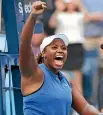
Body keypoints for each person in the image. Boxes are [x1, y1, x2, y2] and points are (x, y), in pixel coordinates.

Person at [19, 1, 103, 115]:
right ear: (43, 53)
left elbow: (85, 108)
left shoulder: (66, 80)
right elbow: (25, 44)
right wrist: (33, 16)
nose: (60, 50)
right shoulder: (34, 73)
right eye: (54, 47)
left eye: (64, 48)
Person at [49, 0, 103, 93]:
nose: (70, 4)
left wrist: (80, 4)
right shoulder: (60, 15)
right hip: (62, 47)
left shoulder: (79, 15)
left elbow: (87, 17)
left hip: (76, 47)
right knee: (60, 75)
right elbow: (52, 24)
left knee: (77, 78)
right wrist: (58, 9)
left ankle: (79, 104)